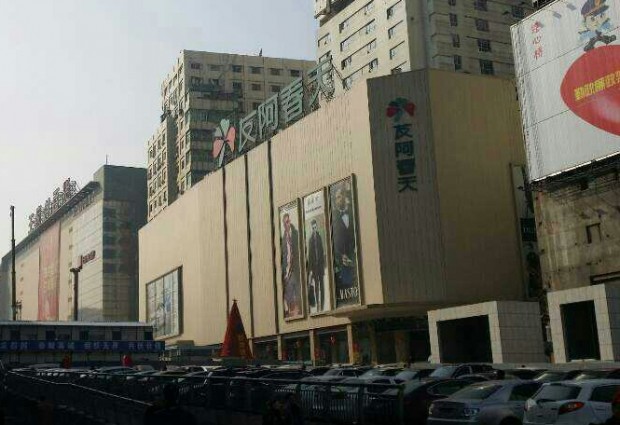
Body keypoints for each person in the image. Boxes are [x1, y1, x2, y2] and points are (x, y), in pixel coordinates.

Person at [332, 187, 357, 303]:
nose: (338, 199)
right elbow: (334, 243)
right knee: (349, 294)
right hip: (343, 261)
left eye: (340, 196)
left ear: (344, 196)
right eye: (336, 198)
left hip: (357, 257)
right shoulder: (333, 218)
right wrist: (341, 256)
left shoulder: (353, 211)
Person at [281, 213, 301, 318]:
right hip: (287, 271)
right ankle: (292, 312)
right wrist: (284, 271)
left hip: (296, 268)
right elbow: (283, 256)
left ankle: (298, 311)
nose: (287, 224)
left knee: (297, 292)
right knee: (289, 293)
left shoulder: (296, 234)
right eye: (285, 223)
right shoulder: (283, 239)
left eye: (288, 222)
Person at [307, 219, 326, 312]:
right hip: (314, 267)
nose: (314, 229)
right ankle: (318, 304)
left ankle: (322, 305)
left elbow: (322, 251)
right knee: (317, 286)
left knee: (322, 285)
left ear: (316, 227)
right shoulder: (310, 240)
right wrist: (310, 270)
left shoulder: (319, 237)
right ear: (311, 228)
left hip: (320, 266)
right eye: (313, 228)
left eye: (315, 227)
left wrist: (323, 265)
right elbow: (310, 256)